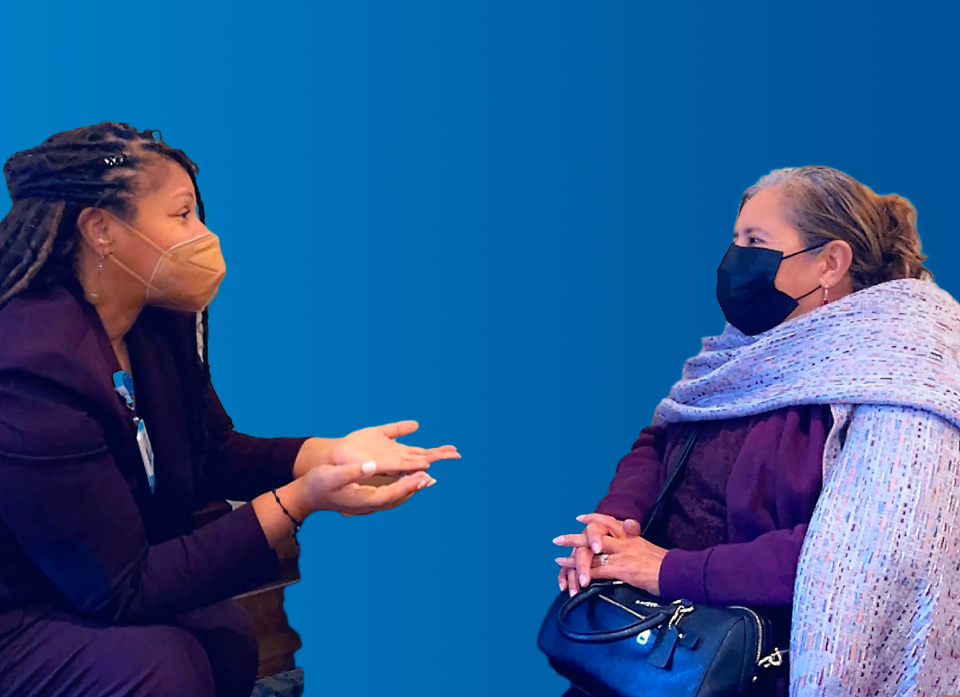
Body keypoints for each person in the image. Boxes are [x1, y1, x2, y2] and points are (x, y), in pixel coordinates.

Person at [0, 122, 460, 697]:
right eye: (183, 215)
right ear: (101, 230)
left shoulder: (156, 316)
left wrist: (333, 453)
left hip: (96, 581)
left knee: (225, 636)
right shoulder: (30, 365)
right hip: (20, 610)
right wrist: (300, 501)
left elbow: (210, 451)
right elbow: (120, 591)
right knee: (160, 669)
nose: (203, 235)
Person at [549, 165, 960, 696]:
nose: (734, 260)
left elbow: (863, 557)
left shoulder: (903, 376)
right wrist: (616, 525)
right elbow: (664, 435)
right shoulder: (742, 351)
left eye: (755, 242)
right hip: (651, 648)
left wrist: (668, 570)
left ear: (831, 263)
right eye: (735, 240)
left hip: (763, 667)